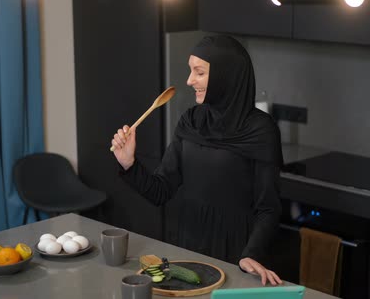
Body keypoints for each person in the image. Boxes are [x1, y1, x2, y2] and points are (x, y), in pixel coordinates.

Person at [111, 35, 283, 286]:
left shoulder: (261, 130)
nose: (190, 81)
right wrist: (129, 164)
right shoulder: (191, 121)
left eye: (199, 72)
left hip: (237, 253)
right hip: (189, 248)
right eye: (191, 71)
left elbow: (268, 208)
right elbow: (160, 190)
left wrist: (251, 254)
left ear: (226, 75)